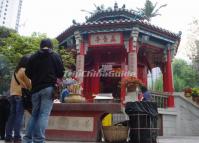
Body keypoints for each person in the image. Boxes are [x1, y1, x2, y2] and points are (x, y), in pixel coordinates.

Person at [23, 38, 65, 143]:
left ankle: (27, 139)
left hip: (35, 90)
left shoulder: (33, 57)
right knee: (43, 114)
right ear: (51, 46)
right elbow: (61, 73)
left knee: (35, 114)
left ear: (40, 46)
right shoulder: (55, 56)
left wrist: (36, 78)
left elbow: (27, 73)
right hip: (48, 88)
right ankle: (39, 140)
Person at [5, 55, 31, 143]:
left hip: (12, 95)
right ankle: (17, 137)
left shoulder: (15, 71)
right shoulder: (24, 71)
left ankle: (8, 137)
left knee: (12, 116)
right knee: (19, 116)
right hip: (20, 95)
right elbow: (29, 85)